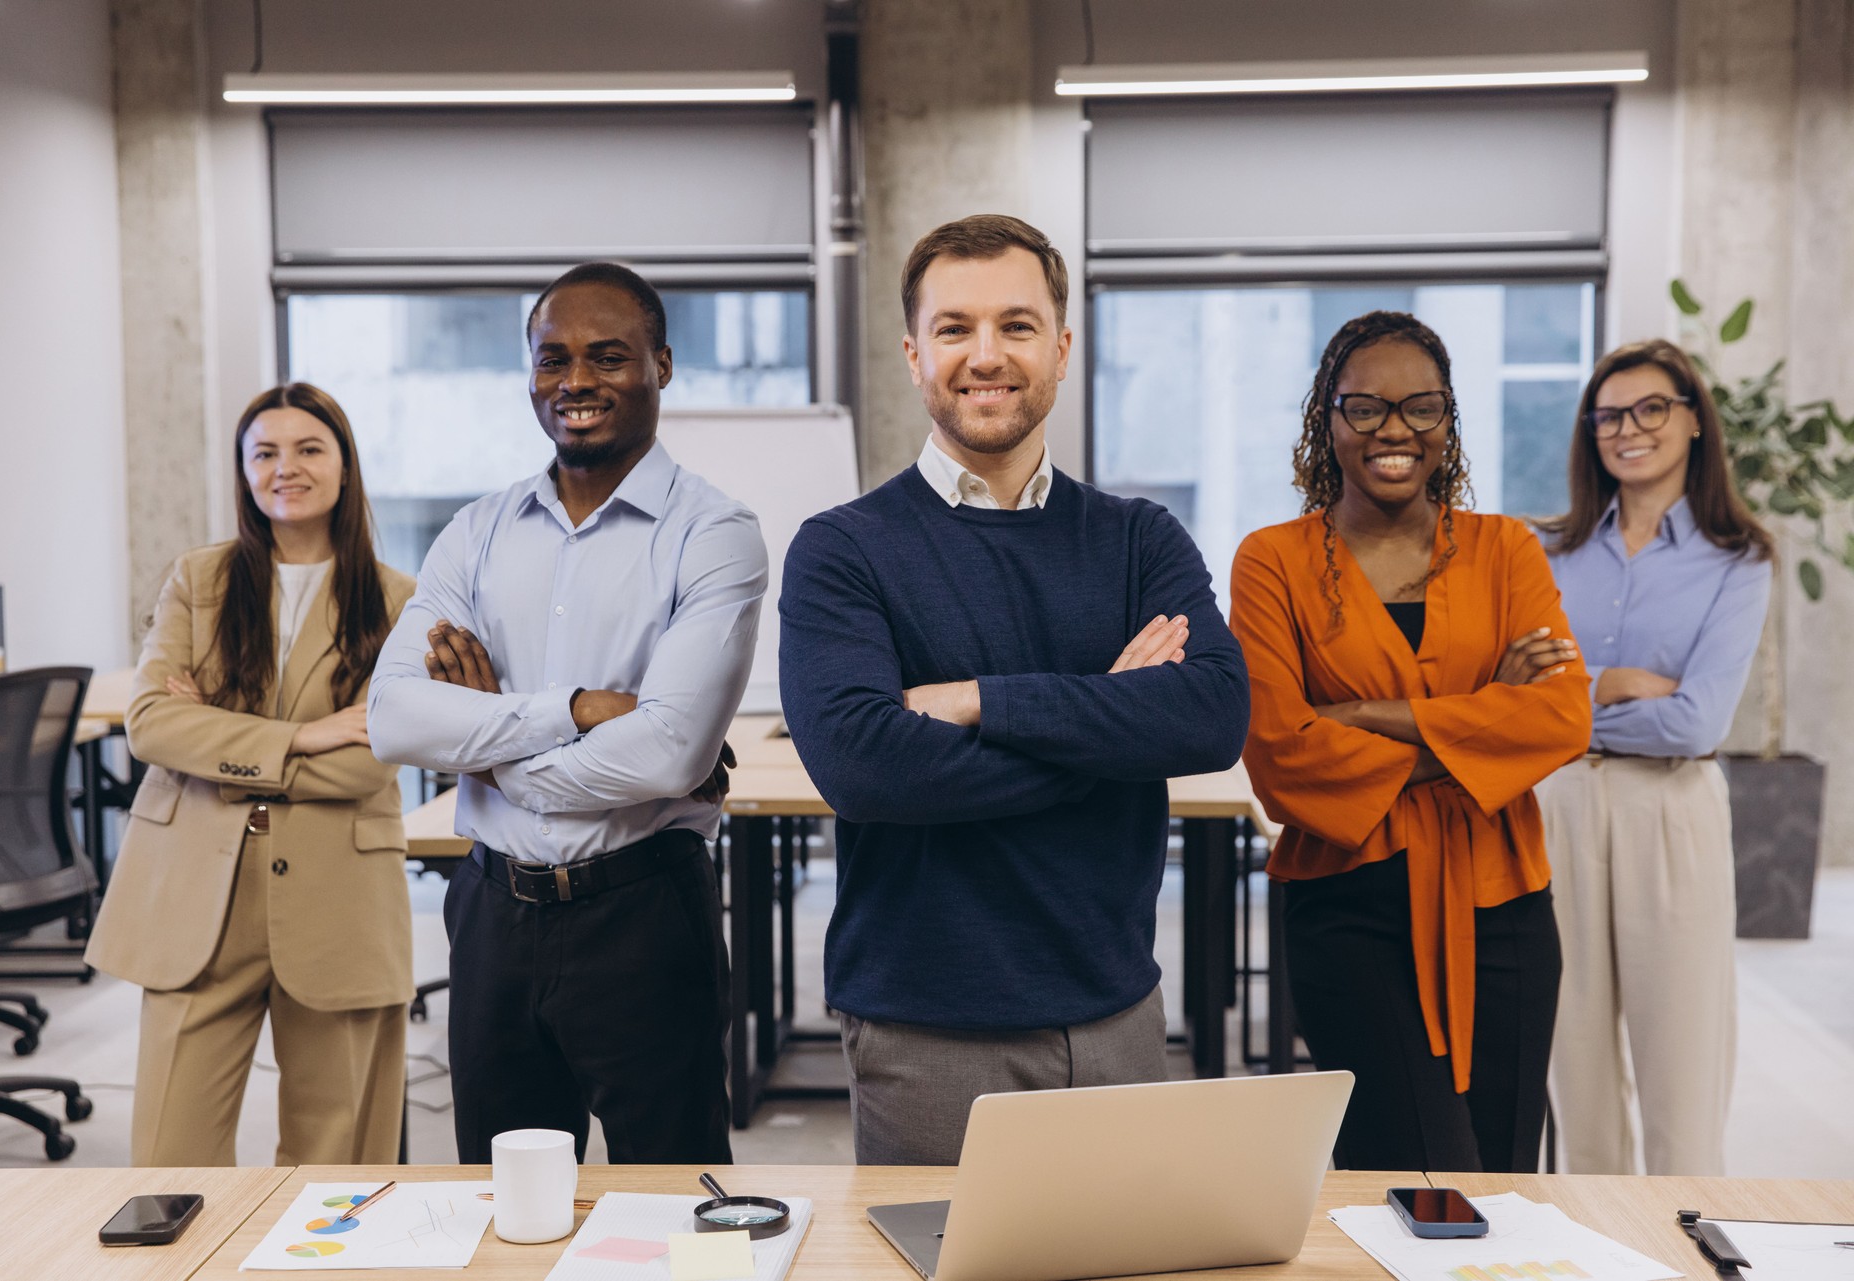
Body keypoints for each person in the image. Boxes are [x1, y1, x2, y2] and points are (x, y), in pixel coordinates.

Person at [778, 214, 1251, 1166]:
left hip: (1118, 1011)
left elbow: (1212, 714)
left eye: (1017, 325)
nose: (985, 355)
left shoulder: (1138, 538)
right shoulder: (842, 549)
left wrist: (973, 701)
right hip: (928, 1026)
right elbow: (869, 770)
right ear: (914, 355)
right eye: (955, 329)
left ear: (1063, 348)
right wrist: (1108, 727)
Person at [367, 261, 766, 1165]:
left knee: (674, 1207)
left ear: (662, 365)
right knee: (506, 1208)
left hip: (643, 912)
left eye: (608, 356)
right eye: (553, 359)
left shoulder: (714, 533)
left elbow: (667, 754)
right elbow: (392, 719)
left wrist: (487, 744)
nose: (576, 381)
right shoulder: (476, 531)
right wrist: (580, 709)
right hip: (491, 912)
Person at [1229, 310, 1592, 1173]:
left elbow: (1563, 716)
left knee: (1505, 1177)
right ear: (1329, 419)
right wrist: (1483, 715)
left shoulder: (1509, 549)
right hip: (1349, 908)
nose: (1395, 430)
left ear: (1449, 420)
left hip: (1505, 908)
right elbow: (1282, 758)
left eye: (1421, 407)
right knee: (1422, 1175)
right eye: (1366, 408)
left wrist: (1366, 717)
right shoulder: (1271, 561)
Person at [88, 383, 415, 1166]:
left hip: (339, 900)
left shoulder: (401, 601)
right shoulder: (197, 582)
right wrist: (305, 735)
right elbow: (151, 725)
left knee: (337, 1175)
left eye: (308, 448)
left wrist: (218, 747)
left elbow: (370, 763)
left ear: (344, 466)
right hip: (195, 898)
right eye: (264, 452)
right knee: (169, 1167)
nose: (285, 468)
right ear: (242, 471)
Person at [1531, 339, 1772, 1175]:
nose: (1628, 429)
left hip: (1671, 810)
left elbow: (1695, 721)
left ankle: (1687, 1243)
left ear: (1694, 421)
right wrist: (1621, 684)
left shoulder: (1739, 558)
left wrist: (1576, 695)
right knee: (1579, 1072)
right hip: (1559, 810)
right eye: (1608, 415)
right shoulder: (1548, 551)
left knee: (1683, 1072)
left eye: (1650, 409)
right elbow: (1515, 694)